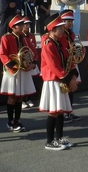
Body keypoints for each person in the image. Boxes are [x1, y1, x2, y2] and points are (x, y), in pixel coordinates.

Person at [39, 13, 78, 150]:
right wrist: (68, 79)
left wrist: (73, 74)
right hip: (53, 80)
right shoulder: (48, 45)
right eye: (60, 28)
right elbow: (54, 66)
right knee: (54, 112)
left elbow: (68, 59)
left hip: (60, 79)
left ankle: (59, 137)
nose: (63, 30)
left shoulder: (59, 43)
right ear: (52, 30)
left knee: (60, 111)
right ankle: (49, 141)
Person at [0, 15, 36, 132]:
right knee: (12, 97)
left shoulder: (24, 38)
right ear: (13, 27)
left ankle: (18, 120)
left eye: (22, 24)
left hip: (23, 70)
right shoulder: (6, 38)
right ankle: (10, 121)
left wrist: (33, 63)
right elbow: (3, 54)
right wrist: (12, 65)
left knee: (20, 97)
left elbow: (33, 51)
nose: (22, 26)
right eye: (20, 25)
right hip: (13, 71)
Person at [59, 9, 82, 123]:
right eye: (67, 21)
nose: (70, 23)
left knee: (71, 88)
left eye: (71, 21)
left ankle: (69, 111)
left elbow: (75, 46)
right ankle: (62, 113)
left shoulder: (71, 33)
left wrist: (79, 53)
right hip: (64, 64)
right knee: (64, 89)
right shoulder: (60, 33)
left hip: (71, 63)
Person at [21, 17, 38, 109]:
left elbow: (34, 48)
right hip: (24, 61)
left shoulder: (32, 36)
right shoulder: (21, 36)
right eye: (25, 25)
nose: (27, 26)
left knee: (31, 80)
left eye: (28, 24)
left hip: (31, 60)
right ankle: (23, 100)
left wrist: (34, 60)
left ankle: (29, 99)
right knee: (24, 81)